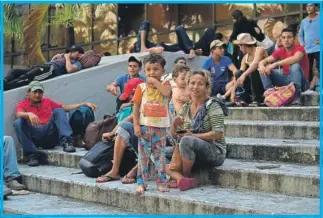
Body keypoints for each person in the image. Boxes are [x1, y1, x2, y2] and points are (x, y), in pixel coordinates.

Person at [166, 70, 227, 191]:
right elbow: (175, 136)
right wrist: (174, 125)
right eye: (192, 83)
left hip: (215, 151)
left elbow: (218, 133)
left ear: (206, 87)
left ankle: (185, 176)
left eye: (200, 84)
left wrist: (193, 136)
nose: (195, 87)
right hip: (189, 150)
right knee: (156, 152)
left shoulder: (213, 105)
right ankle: (181, 179)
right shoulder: (186, 106)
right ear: (188, 85)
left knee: (187, 140)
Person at [14, 81, 97, 167]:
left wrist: (84, 103)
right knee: (18, 122)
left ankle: (67, 142)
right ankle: (32, 155)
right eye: (35, 92)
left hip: (50, 135)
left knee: (59, 111)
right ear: (28, 92)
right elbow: (18, 114)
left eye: (40, 92)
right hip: (35, 137)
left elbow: (65, 108)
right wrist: (28, 114)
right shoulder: (22, 104)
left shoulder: (47, 101)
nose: (37, 95)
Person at [132, 54, 172, 194]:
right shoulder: (141, 87)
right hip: (144, 127)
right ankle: (141, 183)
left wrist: (155, 82)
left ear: (163, 71)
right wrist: (136, 125)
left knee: (159, 156)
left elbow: (166, 93)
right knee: (143, 157)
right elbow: (136, 107)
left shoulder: (166, 85)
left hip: (160, 128)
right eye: (148, 69)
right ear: (144, 71)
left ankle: (161, 182)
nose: (151, 72)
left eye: (156, 69)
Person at [258, 28, 309, 105]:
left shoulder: (300, 49)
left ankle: (297, 97)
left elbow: (295, 58)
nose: (286, 40)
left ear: (294, 39)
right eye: (284, 37)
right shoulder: (281, 50)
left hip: (302, 83)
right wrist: (261, 65)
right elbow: (264, 60)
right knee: (263, 69)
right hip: (286, 80)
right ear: (281, 39)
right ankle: (269, 95)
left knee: (294, 66)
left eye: (289, 37)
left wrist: (275, 64)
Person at [4, 45, 85, 91]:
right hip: (43, 66)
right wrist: (54, 58)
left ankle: (5, 87)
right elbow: (50, 63)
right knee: (14, 71)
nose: (69, 53)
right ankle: (4, 82)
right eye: (69, 51)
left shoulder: (77, 63)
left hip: (50, 69)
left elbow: (70, 70)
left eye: (73, 52)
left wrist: (67, 58)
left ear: (80, 54)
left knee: (26, 77)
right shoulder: (65, 58)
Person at [233, 33, 268, 106]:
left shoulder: (259, 50)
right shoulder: (244, 58)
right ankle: (244, 99)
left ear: (244, 45)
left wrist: (244, 75)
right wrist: (233, 91)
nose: (240, 48)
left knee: (253, 71)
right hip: (252, 84)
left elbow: (255, 65)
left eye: (240, 46)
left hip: (265, 79)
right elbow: (240, 74)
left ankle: (257, 99)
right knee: (238, 73)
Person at [298, 3, 320, 87]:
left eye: (311, 5)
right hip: (308, 49)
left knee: (320, 68)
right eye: (307, 6)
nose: (309, 7)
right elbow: (300, 35)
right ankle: (309, 89)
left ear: (315, 7)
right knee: (308, 70)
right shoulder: (304, 21)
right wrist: (302, 43)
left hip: (319, 48)